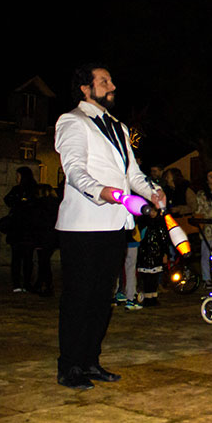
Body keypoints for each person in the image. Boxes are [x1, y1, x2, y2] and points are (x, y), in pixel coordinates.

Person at [54, 62, 164, 391]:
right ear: (86, 89)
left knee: (102, 298)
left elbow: (131, 173)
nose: (111, 85)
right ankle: (69, 366)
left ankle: (90, 360)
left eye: (111, 80)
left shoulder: (118, 126)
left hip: (116, 225)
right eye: (104, 81)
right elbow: (73, 168)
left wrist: (151, 191)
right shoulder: (72, 121)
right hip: (84, 224)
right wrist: (100, 191)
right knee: (79, 297)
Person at [4, 166, 39, 292]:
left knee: (27, 258)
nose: (16, 179)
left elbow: (35, 207)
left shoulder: (33, 190)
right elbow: (8, 200)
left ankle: (27, 283)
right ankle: (17, 283)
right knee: (17, 258)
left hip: (28, 231)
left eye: (18, 176)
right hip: (17, 230)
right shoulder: (16, 190)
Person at [31, 183, 60, 297]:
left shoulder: (40, 204)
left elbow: (38, 222)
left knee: (43, 262)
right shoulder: (56, 204)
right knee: (44, 261)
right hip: (53, 236)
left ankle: (46, 285)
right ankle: (42, 283)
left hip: (43, 236)